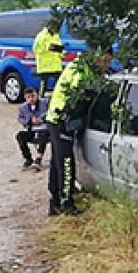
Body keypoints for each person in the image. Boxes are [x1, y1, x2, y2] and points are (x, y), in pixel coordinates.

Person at [44, 47, 114, 216]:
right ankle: (66, 204)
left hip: (56, 118)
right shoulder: (81, 71)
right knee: (66, 163)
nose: (107, 65)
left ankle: (55, 201)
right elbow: (79, 99)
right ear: (98, 56)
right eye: (106, 61)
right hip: (62, 120)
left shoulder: (84, 66)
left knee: (57, 162)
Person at [16, 86, 50, 170]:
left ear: (37, 95)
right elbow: (21, 119)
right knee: (20, 136)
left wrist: (41, 119)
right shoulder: (23, 108)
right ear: (25, 98)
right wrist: (29, 121)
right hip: (32, 130)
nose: (31, 99)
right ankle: (28, 159)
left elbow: (51, 113)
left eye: (33, 96)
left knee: (43, 134)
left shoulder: (45, 103)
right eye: (28, 97)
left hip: (45, 129)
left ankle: (39, 158)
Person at [32, 23, 64, 97]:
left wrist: (62, 53)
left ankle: (56, 100)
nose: (56, 30)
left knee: (58, 84)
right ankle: (40, 101)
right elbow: (36, 49)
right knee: (43, 86)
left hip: (56, 65)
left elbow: (59, 48)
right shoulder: (41, 36)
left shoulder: (56, 35)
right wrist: (50, 48)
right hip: (45, 66)